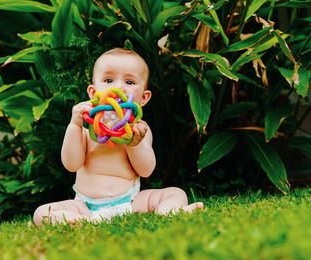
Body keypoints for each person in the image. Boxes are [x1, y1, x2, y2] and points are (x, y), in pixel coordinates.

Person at [33, 48, 203, 226]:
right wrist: (74, 125)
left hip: (130, 202)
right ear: (93, 92)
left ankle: (168, 213)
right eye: (108, 80)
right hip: (86, 206)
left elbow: (146, 171)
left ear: (144, 98)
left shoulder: (139, 129)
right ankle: (82, 221)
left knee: (175, 193)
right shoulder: (85, 129)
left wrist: (133, 143)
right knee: (41, 213)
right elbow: (71, 164)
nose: (118, 87)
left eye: (129, 81)